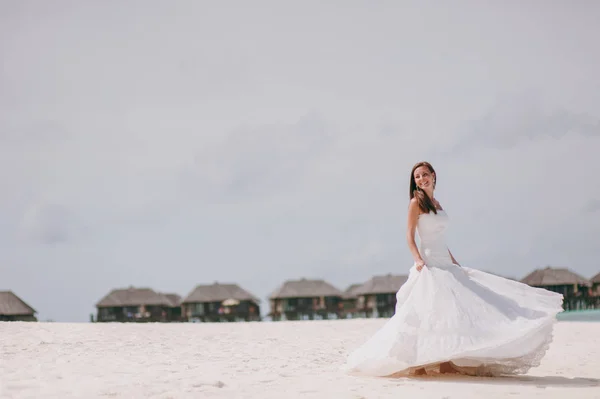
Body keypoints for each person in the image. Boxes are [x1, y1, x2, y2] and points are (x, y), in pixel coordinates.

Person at [343, 161, 564, 377]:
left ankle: (445, 361)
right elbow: (409, 237)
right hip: (429, 264)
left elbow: (441, 240)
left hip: (445, 262)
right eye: (417, 176)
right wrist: (418, 260)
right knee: (425, 312)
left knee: (449, 313)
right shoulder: (415, 203)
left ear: (433, 175)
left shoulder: (437, 204)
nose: (421, 178)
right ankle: (419, 363)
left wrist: (455, 262)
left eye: (424, 174)